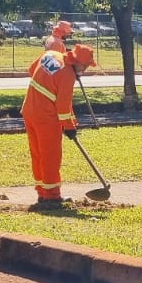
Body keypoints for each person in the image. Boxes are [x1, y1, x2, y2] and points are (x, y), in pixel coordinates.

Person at [23, 43, 97, 208]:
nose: (84, 70)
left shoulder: (51, 54)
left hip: (29, 110)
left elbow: (31, 69)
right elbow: (63, 107)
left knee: (37, 153)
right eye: (84, 66)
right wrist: (69, 127)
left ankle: (42, 192)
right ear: (77, 61)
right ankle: (52, 197)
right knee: (50, 156)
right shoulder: (67, 75)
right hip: (46, 118)